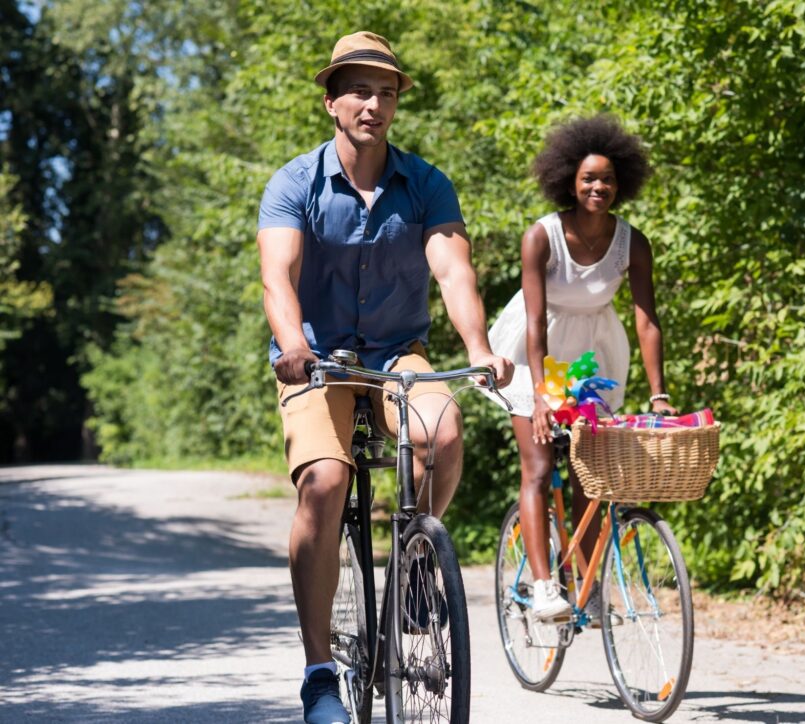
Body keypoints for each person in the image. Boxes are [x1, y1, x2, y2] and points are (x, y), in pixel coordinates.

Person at [257, 31, 512, 724]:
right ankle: (318, 675)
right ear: (332, 99)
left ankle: (414, 568)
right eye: (360, 90)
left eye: (388, 92)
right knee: (326, 482)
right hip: (317, 355)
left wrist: (478, 346)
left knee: (442, 430)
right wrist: (290, 345)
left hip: (398, 351)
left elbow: (453, 269)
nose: (375, 103)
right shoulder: (294, 183)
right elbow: (278, 277)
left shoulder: (425, 183)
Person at [487, 115, 677, 621]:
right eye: (589, 178)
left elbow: (647, 319)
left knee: (587, 480)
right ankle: (545, 585)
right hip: (536, 355)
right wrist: (545, 394)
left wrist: (659, 393)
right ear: (569, 180)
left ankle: (588, 588)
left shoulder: (631, 243)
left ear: (622, 184)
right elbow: (533, 321)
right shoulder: (542, 237)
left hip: (594, 357)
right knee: (540, 467)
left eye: (608, 179)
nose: (599, 187)